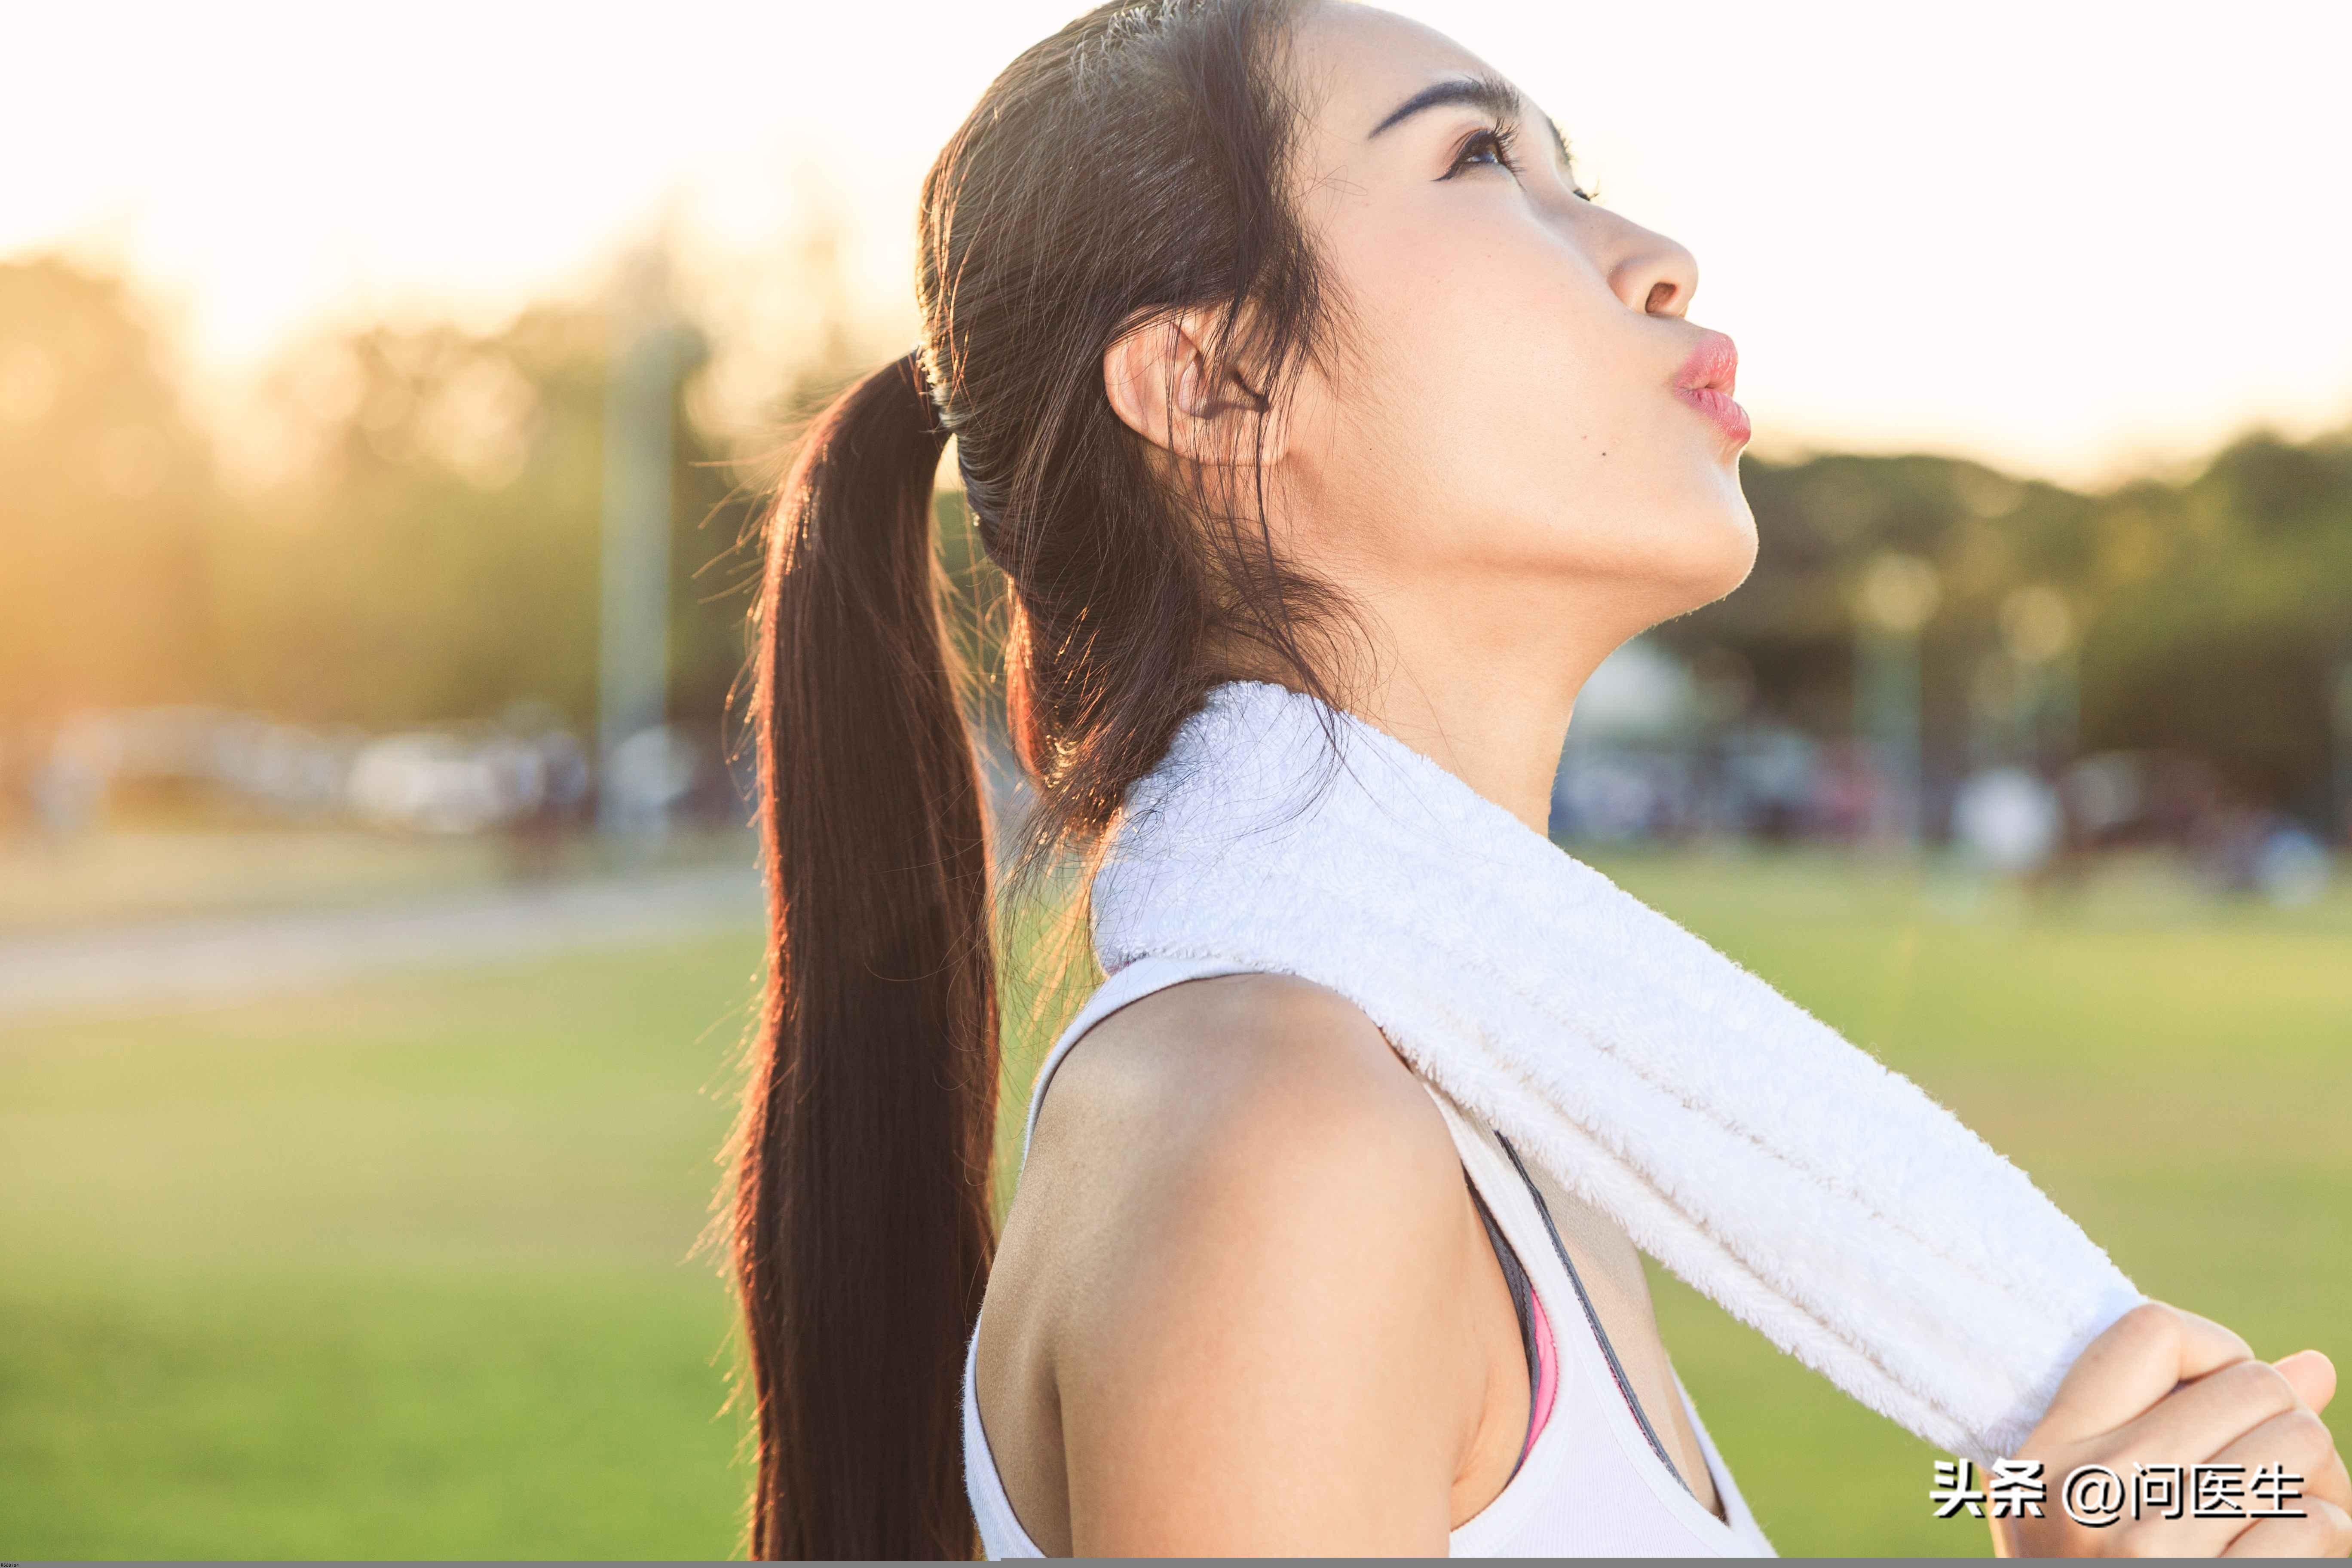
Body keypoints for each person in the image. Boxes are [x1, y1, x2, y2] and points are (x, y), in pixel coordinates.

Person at [726, 0, 2350, 1556]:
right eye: (1482, 161)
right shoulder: (1276, 1129)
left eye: (1573, 171)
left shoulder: (1498, 1111)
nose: (1659, 257)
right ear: (1216, 383)